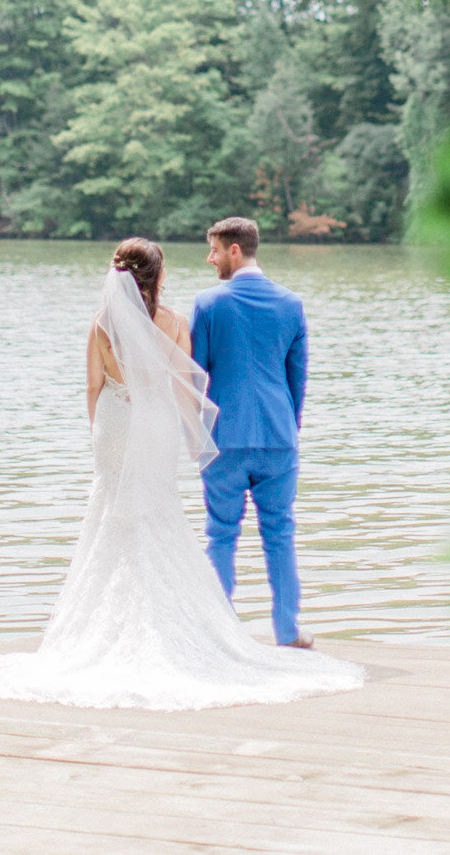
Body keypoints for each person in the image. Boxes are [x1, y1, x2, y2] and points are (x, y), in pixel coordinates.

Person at [0, 237, 362, 710]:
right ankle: (226, 623)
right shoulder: (174, 322)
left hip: (114, 425)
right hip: (155, 428)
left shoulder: (101, 325)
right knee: (158, 512)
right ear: (157, 277)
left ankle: (104, 627)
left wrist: (104, 431)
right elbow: (186, 384)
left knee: (111, 515)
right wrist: (195, 437)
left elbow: (93, 388)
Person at [192, 217, 310, 648]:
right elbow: (298, 377)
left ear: (235, 250)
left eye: (215, 250)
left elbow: (195, 377)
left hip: (224, 437)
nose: (211, 259)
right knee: (279, 531)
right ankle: (288, 629)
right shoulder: (291, 303)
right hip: (278, 436)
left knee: (221, 532)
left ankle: (220, 631)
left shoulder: (208, 304)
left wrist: (199, 435)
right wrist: (287, 431)